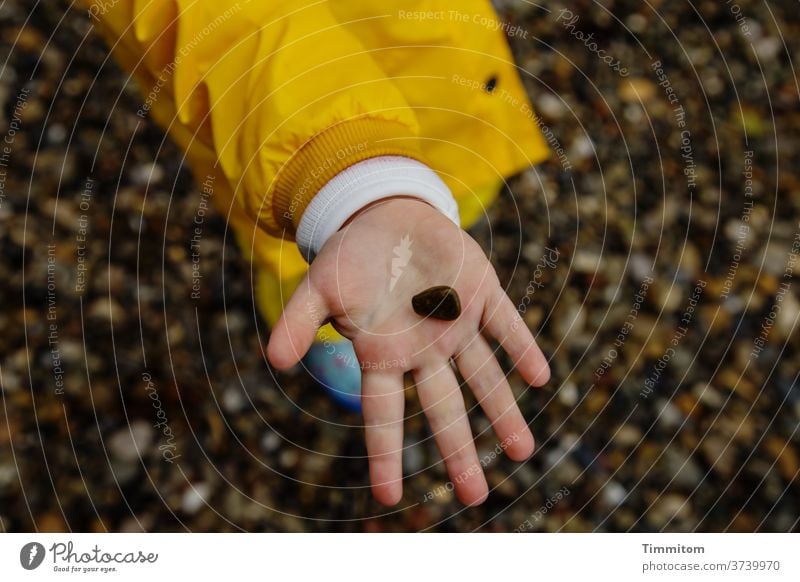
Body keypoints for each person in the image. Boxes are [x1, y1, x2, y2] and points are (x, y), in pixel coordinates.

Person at [85, 0, 551, 506]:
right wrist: (334, 171)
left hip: (445, 78)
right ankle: (335, 320)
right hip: (277, 128)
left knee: (450, 197)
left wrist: (391, 189)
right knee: (318, 264)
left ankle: (411, 206)